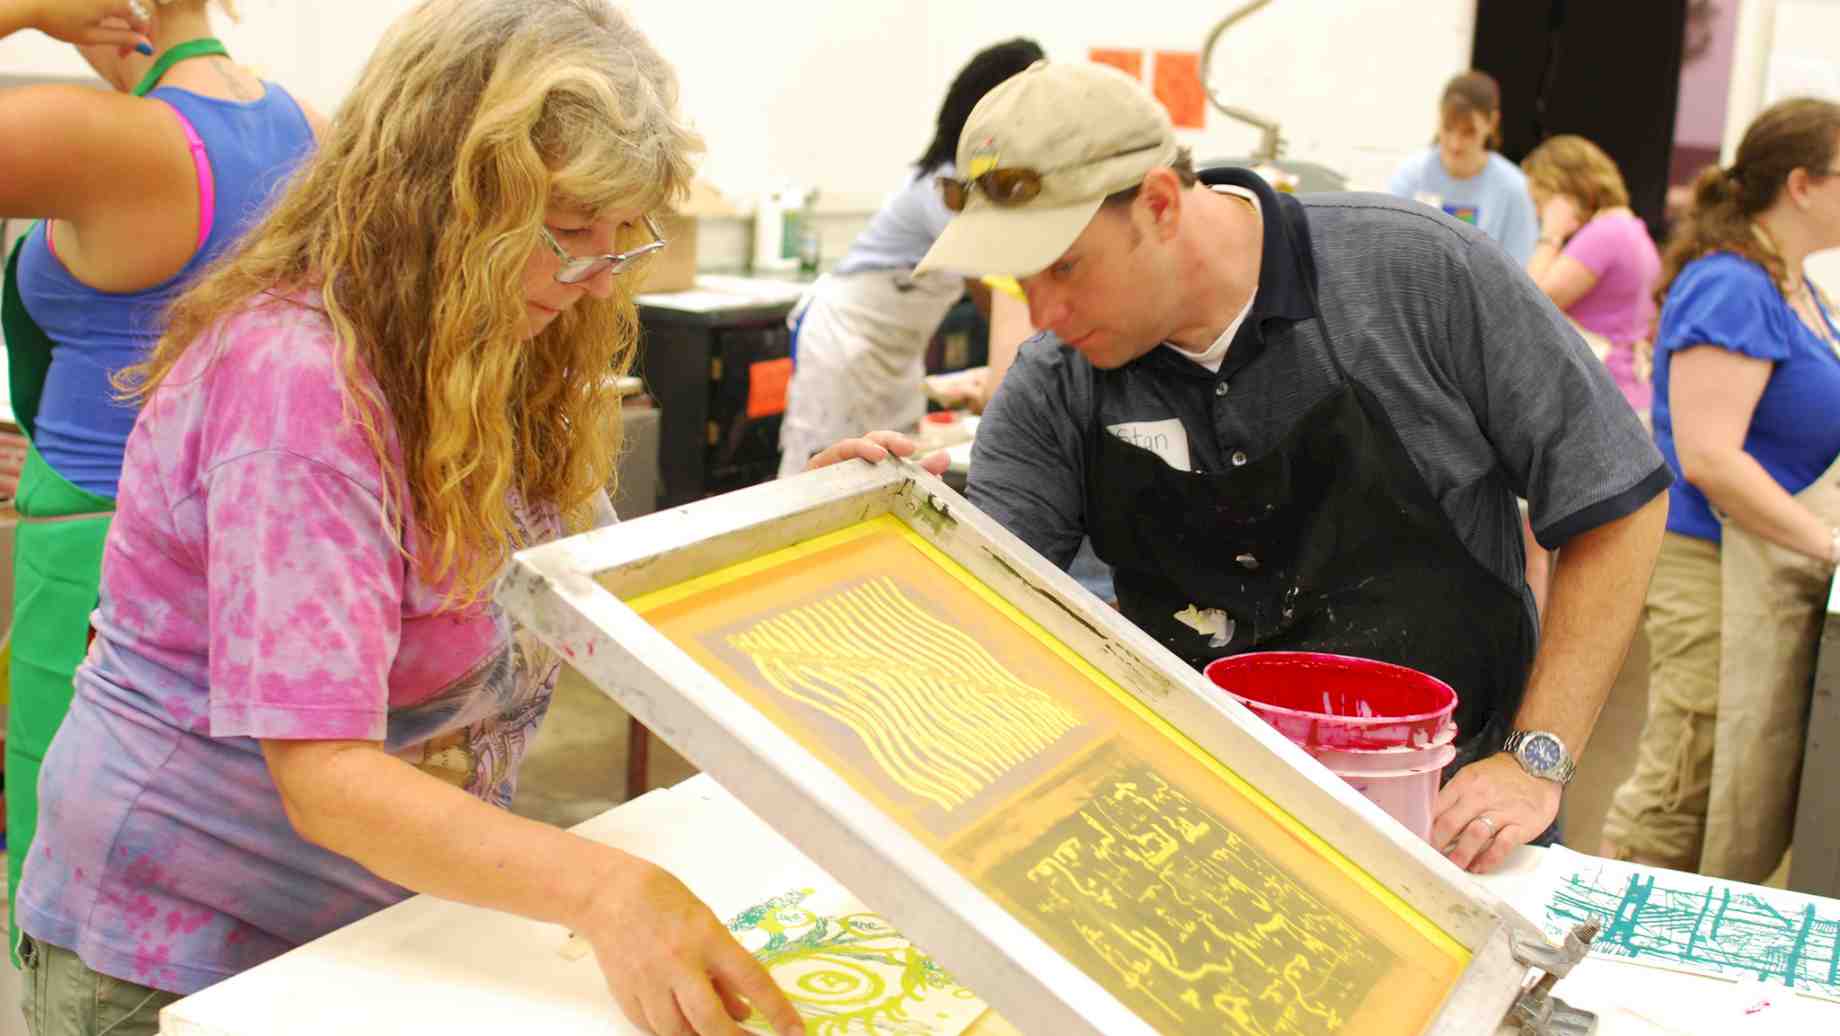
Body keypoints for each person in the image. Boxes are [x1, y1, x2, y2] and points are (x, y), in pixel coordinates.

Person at [12, 3, 806, 1035]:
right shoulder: (298, 384)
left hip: (373, 917)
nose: (592, 280)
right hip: (190, 952)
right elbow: (329, 781)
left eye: (622, 239)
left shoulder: (488, 336)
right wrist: (610, 889)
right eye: (565, 233)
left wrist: (817, 531)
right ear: (437, 200)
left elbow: (602, 584)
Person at [917, 61, 1669, 875]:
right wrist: (888, 527)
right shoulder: (1056, 382)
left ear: (1162, 204)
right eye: (1022, 280)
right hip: (1193, 825)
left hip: (1448, 823)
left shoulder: (1418, 276)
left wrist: (1535, 760)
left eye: (1065, 268)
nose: (1045, 315)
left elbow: (1612, 499)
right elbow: (981, 619)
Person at [0, 0, 323, 961]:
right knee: (202, 861)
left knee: (75, 883)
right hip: (235, 539)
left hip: (98, 558)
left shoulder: (101, 137)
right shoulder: (303, 125)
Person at [1600, 98, 1840, 883]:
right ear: (1802, 185)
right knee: (1689, 773)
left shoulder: (1800, 288)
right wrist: (1827, 545)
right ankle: (1605, 946)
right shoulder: (1733, 286)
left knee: (1742, 773)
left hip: (1768, 564)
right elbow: (1709, 458)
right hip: (1709, 559)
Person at [776, 37, 1043, 478]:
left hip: (894, 359)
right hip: (845, 343)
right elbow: (996, 294)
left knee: (891, 471)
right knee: (822, 471)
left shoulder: (972, 185)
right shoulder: (944, 189)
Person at [1522, 134, 1663, 418]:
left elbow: (1528, 303)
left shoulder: (1604, 234)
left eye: (1541, 201)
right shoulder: (1631, 228)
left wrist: (1551, 234)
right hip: (1627, 391)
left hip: (1600, 398)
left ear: (1563, 190)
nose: (1538, 212)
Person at [1389, 70, 1539, 265]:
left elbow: (1520, 272)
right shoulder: (1411, 175)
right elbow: (1392, 250)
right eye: (1448, 128)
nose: (1455, 144)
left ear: (1491, 123)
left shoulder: (1515, 189)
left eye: (1468, 133)